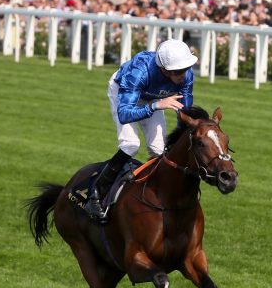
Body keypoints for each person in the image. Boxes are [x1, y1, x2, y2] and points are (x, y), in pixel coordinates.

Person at [84, 39, 198, 222]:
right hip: (124, 95)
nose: (183, 75)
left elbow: (184, 112)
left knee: (159, 150)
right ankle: (95, 195)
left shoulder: (186, 73)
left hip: (153, 98)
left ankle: (159, 197)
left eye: (186, 69)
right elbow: (125, 114)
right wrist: (156, 106)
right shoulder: (139, 72)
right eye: (178, 71)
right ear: (164, 69)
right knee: (130, 144)